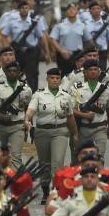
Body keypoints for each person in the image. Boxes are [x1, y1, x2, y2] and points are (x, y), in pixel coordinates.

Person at [25, 68, 79, 198]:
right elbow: (31, 110)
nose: (55, 80)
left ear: (60, 79)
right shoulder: (39, 94)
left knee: (57, 162)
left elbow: (70, 116)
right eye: (52, 78)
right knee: (44, 163)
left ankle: (56, 191)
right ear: (47, 79)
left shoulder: (66, 96)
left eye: (57, 78)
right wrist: (27, 120)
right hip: (42, 132)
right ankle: (45, 190)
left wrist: (75, 133)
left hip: (60, 131)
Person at [0, 61, 33, 168]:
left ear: (19, 73)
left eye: (15, 71)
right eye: (9, 71)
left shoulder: (26, 89)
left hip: (17, 126)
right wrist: (0, 115)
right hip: (0, 126)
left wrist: (28, 124)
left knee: (16, 157)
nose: (12, 73)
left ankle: (13, 181)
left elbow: (28, 108)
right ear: (5, 73)